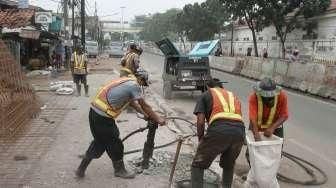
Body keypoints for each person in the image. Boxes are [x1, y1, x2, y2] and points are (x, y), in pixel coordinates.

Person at [75, 72, 166, 179]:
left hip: (94, 112)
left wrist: (145, 115)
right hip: (103, 117)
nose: (142, 86)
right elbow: (144, 105)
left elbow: (132, 103)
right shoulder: (134, 85)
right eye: (143, 83)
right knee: (116, 144)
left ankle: (81, 169)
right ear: (140, 79)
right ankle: (119, 170)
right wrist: (158, 119)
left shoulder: (126, 81)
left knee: (99, 142)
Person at [191, 78, 245, 188]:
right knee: (228, 165)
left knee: (197, 164)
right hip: (239, 132)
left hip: (219, 130)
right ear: (222, 87)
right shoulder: (232, 95)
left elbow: (200, 122)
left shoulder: (206, 94)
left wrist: (201, 139)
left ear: (208, 87)